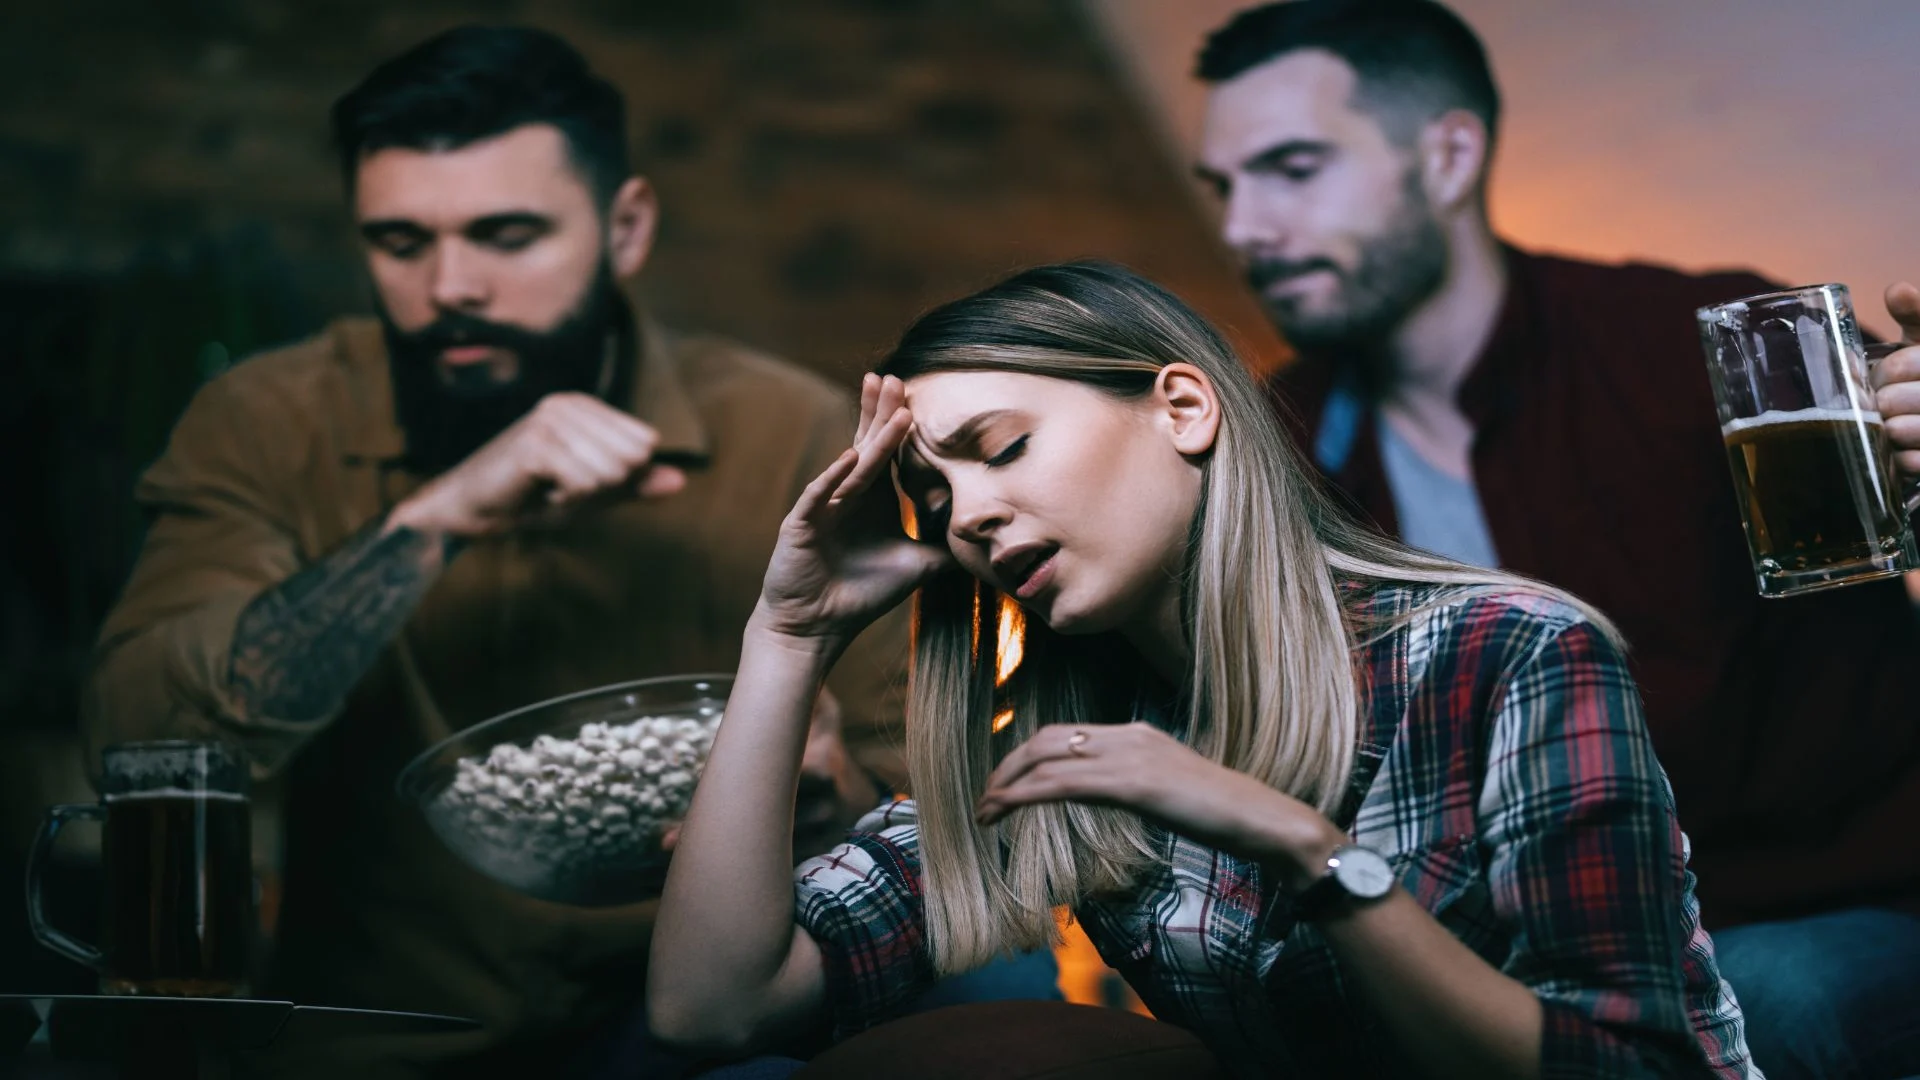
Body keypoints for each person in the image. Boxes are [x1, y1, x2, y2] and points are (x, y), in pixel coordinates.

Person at [81, 26, 943, 1079]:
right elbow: (143, 741)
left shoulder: (788, 433)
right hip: (388, 1037)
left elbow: (926, 805)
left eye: (506, 235)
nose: (452, 287)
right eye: (401, 243)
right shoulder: (270, 421)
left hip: (704, 1023)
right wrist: (438, 517)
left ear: (626, 229)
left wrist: (832, 789)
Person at [648, 261, 1758, 1078]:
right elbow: (713, 1010)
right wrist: (787, 635)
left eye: (1002, 448)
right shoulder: (1064, 752)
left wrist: (1305, 851)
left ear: (1182, 409)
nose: (969, 516)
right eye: (935, 503)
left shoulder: (1509, 650)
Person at [1191, 4, 1920, 1077]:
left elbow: (1882, 519)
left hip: (1826, 909)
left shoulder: (1701, 343)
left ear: (1448, 157)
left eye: (1291, 169)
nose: (1244, 228)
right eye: (1223, 188)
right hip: (1520, 958)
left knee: (1769, 998)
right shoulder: (1276, 441)